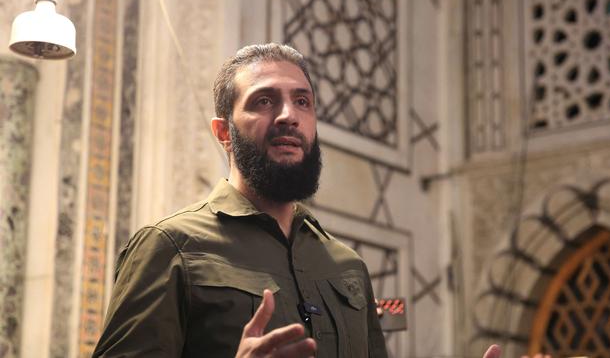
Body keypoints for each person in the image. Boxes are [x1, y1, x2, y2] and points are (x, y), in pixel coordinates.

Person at [92, 43, 503, 358]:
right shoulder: (170, 247)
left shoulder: (347, 266)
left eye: (302, 101)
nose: (289, 115)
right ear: (223, 133)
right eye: (264, 100)